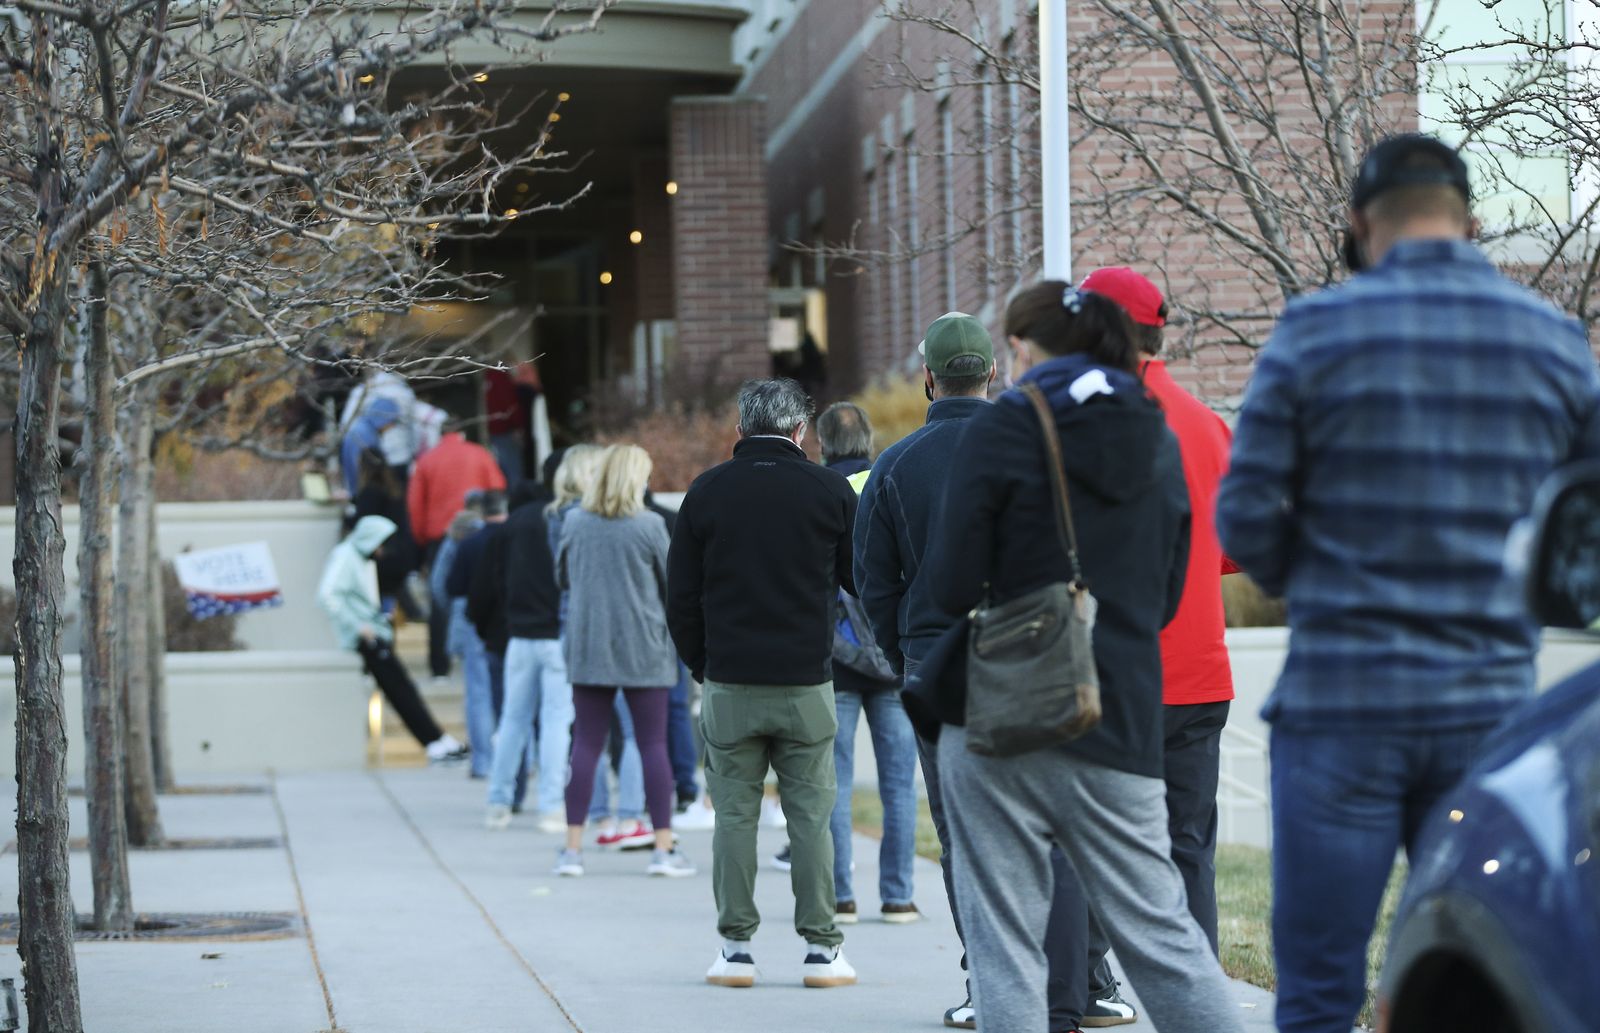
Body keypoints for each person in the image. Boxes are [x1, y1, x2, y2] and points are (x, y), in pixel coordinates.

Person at [1216, 133, 1600, 1033]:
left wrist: (1305, 581)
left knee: (1317, 991)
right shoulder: (1551, 340)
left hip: (1340, 705)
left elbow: (1243, 515)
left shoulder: (1313, 333)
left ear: (1358, 225)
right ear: (1469, 221)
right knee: (1479, 985)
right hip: (1488, 703)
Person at [923, 285, 1245, 1033]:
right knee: (1164, 936)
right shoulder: (1155, 430)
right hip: (1123, 710)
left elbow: (949, 583)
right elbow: (1170, 588)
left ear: (1029, 350)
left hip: (1005, 708)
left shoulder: (1006, 424)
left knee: (1008, 941)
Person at [856, 312, 1126, 1032]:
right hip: (1034, 654)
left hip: (935, 665)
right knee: (1055, 824)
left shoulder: (894, 465)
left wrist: (904, 650)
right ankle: (1078, 983)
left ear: (928, 379)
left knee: (966, 837)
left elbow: (871, 581)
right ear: (994, 376)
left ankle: (989, 980)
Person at [667, 378, 859, 990]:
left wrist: (703, 664)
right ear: (801, 429)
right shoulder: (829, 490)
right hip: (806, 680)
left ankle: (734, 949)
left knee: (734, 819)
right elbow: (859, 580)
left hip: (729, 678)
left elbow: (681, 597)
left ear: (741, 429)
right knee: (811, 818)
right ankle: (823, 950)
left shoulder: (706, 492)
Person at [1082, 265, 1237, 954]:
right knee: (1187, 852)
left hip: (1111, 677)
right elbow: (1233, 550)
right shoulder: (1209, 426)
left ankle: (1083, 989)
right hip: (1200, 676)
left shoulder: (1086, 422)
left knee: (1084, 844)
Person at [554, 445, 695, 878]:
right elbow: (672, 586)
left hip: (589, 644)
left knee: (586, 745)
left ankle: (572, 850)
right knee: (652, 743)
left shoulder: (575, 522)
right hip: (643, 646)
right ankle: (663, 848)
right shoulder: (650, 525)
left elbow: (562, 577)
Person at [811, 402, 919, 927]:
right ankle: (898, 896)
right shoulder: (890, 480)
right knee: (899, 784)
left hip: (835, 659)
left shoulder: (813, 489)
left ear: (822, 442)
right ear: (869, 439)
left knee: (834, 783)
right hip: (893, 657)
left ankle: (841, 896)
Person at [317, 515, 467, 763]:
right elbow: (328, 595)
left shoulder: (356, 557)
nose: (381, 550)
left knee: (404, 688)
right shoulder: (346, 557)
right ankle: (433, 742)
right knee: (400, 691)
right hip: (366, 637)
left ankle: (437, 739)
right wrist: (358, 626)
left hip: (373, 632)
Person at [409, 425, 506, 681]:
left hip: (440, 534)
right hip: (478, 532)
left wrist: (420, 541)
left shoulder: (427, 460)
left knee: (439, 598)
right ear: (463, 433)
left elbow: (415, 506)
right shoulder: (479, 454)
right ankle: (480, 650)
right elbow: (498, 487)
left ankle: (439, 666)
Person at [448, 490, 511, 784]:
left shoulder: (469, 544)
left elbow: (449, 586)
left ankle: (483, 761)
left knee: (478, 693)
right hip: (513, 620)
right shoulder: (514, 538)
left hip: (475, 619)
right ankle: (523, 758)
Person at [431, 497, 488, 776]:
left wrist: (453, 609)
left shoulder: (457, 537)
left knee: (477, 693)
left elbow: (439, 583)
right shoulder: (497, 533)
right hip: (501, 619)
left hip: (465, 614)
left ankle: (483, 760)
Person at [340, 395, 402, 498]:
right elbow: (364, 469)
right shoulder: (365, 435)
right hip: (364, 492)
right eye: (392, 421)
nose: (392, 426)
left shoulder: (364, 429)